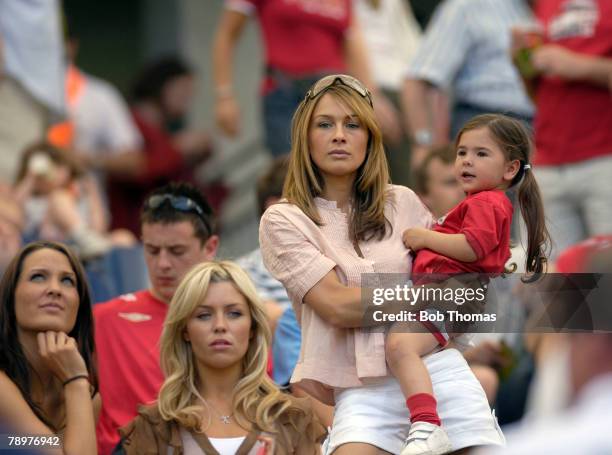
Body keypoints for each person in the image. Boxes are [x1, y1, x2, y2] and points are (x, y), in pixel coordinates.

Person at [260, 74, 505, 455]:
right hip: (360, 389)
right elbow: (339, 306)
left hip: (436, 371)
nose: (339, 135)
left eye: (352, 124)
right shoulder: (283, 219)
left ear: (369, 138)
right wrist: (427, 295)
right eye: (325, 124)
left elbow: (468, 288)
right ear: (304, 138)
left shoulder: (403, 201)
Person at [388, 114, 549, 454]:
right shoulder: (477, 202)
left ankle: (426, 424)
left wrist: (424, 237)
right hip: (449, 290)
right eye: (462, 153)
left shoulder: (486, 201)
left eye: (481, 154)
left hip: (452, 289)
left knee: (401, 346)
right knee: (409, 344)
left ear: (510, 169)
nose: (466, 161)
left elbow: (472, 247)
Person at [118, 260, 326, 453]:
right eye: (204, 315)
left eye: (234, 313)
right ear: (184, 330)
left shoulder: (293, 417)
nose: (220, 326)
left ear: (252, 327)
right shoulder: (154, 427)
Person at [94, 182, 219, 455]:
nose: (162, 264)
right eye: (151, 250)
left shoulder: (236, 321)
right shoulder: (103, 319)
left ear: (210, 247)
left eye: (176, 251)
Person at [212, 0, 401, 157]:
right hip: (286, 95)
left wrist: (372, 96)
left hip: (336, 95)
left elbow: (353, 44)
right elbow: (226, 35)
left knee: (341, 170)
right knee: (291, 175)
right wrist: (224, 95)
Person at [512, 0, 612, 260]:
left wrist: (583, 67)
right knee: (546, 284)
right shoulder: (544, 4)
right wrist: (521, 62)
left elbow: (569, 67)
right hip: (548, 159)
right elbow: (540, 93)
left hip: (604, 156)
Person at [401, 0, 535, 169]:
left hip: (546, 128)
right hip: (484, 123)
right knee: (490, 195)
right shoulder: (467, 6)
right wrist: (424, 145)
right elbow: (418, 80)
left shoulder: (556, 11)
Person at [0, 241, 98, 454]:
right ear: (10, 296)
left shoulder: (88, 394)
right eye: (38, 277)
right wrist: (75, 381)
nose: (55, 289)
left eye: (67, 281)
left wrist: (77, 383)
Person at [108, 57, 212, 235]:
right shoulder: (129, 124)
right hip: (132, 229)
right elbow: (139, 169)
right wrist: (177, 149)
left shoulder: (161, 131)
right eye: (182, 89)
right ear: (162, 86)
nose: (187, 98)